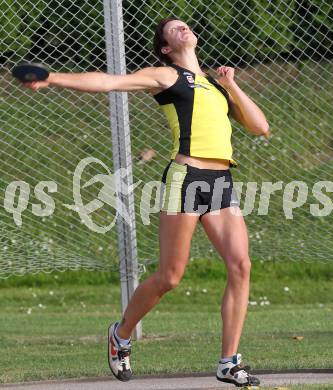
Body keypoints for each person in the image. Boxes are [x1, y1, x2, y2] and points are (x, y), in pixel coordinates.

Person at [22, 17, 269, 387]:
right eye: (173, 28)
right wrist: (53, 77)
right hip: (186, 178)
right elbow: (109, 82)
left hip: (221, 180)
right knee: (170, 277)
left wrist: (232, 85)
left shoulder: (217, 86)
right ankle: (121, 334)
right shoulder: (166, 76)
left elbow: (260, 126)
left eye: (185, 24)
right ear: (166, 48)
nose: (182, 28)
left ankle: (229, 362)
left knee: (241, 266)